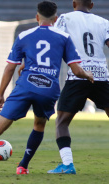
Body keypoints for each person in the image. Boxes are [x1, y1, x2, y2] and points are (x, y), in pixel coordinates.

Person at [0, 1, 94, 175]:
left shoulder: (24, 35)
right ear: (56, 18)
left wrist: (0, 94)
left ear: (37, 17)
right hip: (48, 89)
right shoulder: (64, 37)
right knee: (39, 125)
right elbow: (76, 69)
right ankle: (22, 166)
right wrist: (87, 75)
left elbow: (10, 67)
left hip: (25, 86)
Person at [47, 0, 109, 174]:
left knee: (61, 122)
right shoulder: (104, 22)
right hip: (101, 76)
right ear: (92, 5)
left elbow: (54, 43)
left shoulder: (65, 19)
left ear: (74, 3)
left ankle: (67, 165)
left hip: (78, 75)